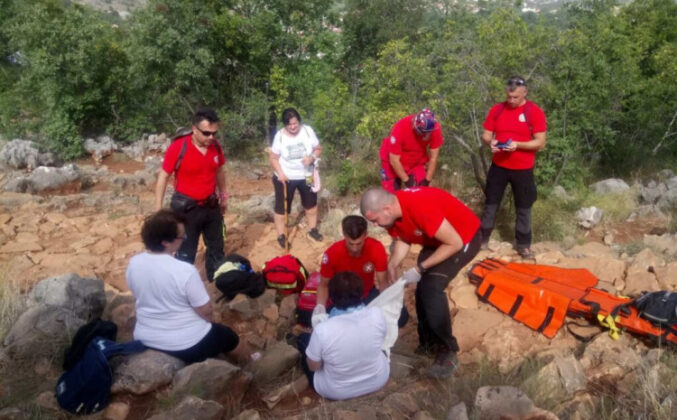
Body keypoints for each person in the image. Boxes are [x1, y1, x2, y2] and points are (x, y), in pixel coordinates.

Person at [360, 187, 481, 378]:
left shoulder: (420, 207)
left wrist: (419, 268)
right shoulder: (393, 212)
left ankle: (447, 351)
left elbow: (454, 243)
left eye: (375, 220)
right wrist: (393, 263)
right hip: (436, 240)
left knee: (432, 286)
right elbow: (403, 238)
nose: (375, 225)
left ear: (387, 208)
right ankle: (427, 343)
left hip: (462, 237)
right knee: (422, 288)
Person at [126, 210, 248, 365]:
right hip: (187, 344)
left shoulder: (134, 263)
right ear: (165, 242)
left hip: (145, 337)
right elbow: (205, 311)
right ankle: (254, 362)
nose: (184, 238)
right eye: (181, 236)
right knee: (228, 336)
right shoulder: (184, 270)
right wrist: (210, 323)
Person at [154, 107, 228, 281]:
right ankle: (182, 286)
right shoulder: (178, 147)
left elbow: (220, 172)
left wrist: (224, 197)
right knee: (186, 251)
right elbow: (163, 177)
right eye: (206, 133)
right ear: (194, 129)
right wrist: (158, 209)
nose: (211, 137)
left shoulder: (215, 146)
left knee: (217, 248)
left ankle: (216, 283)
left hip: (211, 206)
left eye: (214, 133)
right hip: (186, 210)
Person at [479, 76, 547, 259]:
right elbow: (485, 134)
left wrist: (517, 145)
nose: (511, 100)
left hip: (523, 168)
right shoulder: (497, 109)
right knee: (491, 203)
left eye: (515, 97)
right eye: (509, 96)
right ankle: (482, 239)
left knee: (524, 206)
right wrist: (491, 141)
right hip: (499, 165)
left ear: (525, 93)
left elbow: (540, 143)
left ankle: (523, 244)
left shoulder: (534, 111)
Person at [302, 271, 390, 400]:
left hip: (337, 391)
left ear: (331, 298)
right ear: (361, 294)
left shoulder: (323, 330)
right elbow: (382, 340)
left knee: (304, 345)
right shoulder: (377, 314)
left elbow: (313, 366)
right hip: (377, 380)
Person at [316, 215, 408, 327]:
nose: (355, 249)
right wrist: (320, 307)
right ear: (344, 235)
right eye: (351, 243)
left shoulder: (376, 248)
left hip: (366, 295)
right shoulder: (332, 253)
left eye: (359, 243)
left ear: (365, 235)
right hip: (341, 300)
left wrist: (387, 303)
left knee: (401, 316)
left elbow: (383, 283)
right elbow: (323, 285)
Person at [268, 107, 323, 249]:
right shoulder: (279, 136)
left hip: (307, 175)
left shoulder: (307, 131)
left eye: (295, 123)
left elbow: (318, 148)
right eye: (289, 124)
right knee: (282, 207)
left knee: (311, 204)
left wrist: (312, 157)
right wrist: (280, 173)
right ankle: (281, 235)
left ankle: (312, 230)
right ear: (285, 124)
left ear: (299, 122)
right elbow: (273, 157)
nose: (293, 127)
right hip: (286, 177)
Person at [379, 108, 443, 192]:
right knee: (391, 195)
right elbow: (394, 160)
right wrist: (407, 180)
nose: (426, 136)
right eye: (423, 133)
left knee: (421, 191)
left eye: (428, 133)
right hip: (392, 159)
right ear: (416, 128)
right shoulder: (400, 128)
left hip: (416, 160)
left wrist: (427, 180)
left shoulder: (434, 129)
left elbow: (433, 158)